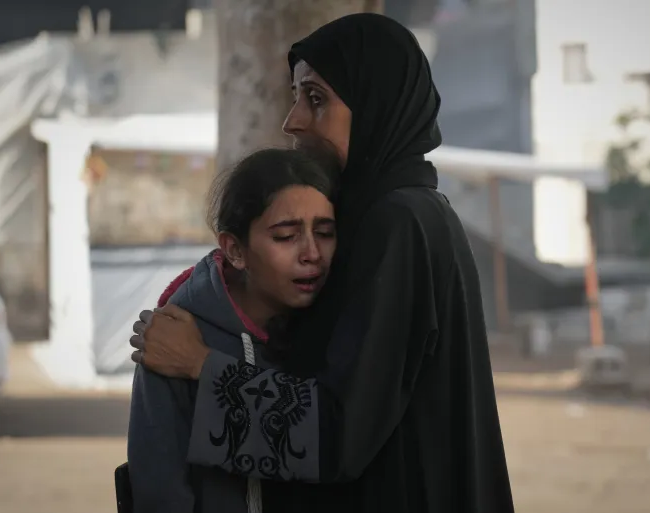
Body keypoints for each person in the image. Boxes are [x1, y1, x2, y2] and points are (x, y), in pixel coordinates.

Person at [131, 13, 514, 513]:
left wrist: (200, 365)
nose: (292, 120)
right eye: (296, 97)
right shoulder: (405, 212)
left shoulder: (398, 222)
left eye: (315, 99)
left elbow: (339, 435)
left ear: (374, 104)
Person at [126, 148, 338, 513]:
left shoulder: (336, 321)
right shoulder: (174, 339)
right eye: (286, 236)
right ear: (235, 250)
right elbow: (160, 491)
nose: (312, 253)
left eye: (325, 233)